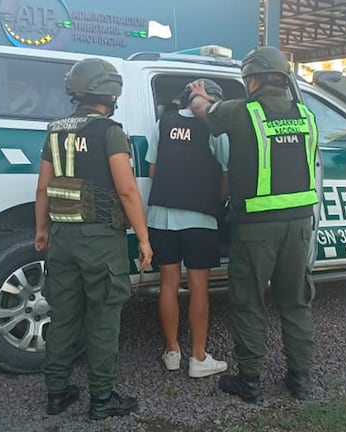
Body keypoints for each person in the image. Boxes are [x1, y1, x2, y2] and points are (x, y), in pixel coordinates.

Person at [187, 46, 323, 403]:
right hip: (298, 226)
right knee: (295, 303)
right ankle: (302, 380)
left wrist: (199, 96)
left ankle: (250, 381)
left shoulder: (242, 112)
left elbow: (204, 113)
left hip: (256, 228)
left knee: (249, 302)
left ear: (254, 79)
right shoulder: (307, 115)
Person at [34, 58, 152, 420]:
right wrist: (144, 239)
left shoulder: (55, 131)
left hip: (62, 235)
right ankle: (102, 400)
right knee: (103, 318)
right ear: (109, 93)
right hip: (101, 240)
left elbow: (43, 187)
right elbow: (127, 190)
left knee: (64, 314)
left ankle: (57, 393)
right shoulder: (109, 132)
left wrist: (41, 230)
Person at [145, 79, 230, 378]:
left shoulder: (163, 122)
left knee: (168, 284)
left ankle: (171, 352)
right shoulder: (215, 127)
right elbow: (225, 174)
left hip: (160, 216)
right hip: (199, 218)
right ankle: (198, 357)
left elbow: (153, 169)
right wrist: (215, 202)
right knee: (198, 287)